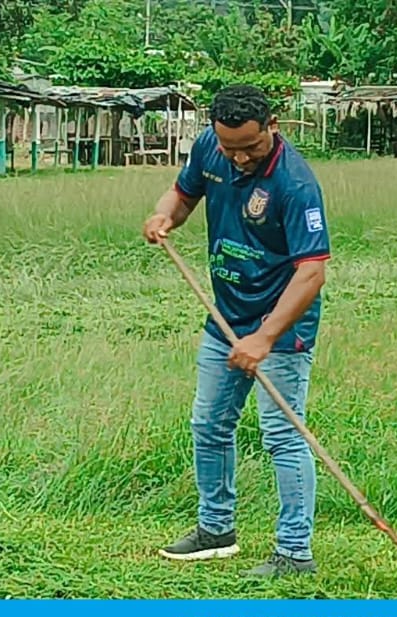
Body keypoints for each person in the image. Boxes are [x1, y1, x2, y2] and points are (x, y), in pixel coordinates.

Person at [141, 85, 332, 578]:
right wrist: (164, 216)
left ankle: (294, 552)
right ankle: (215, 529)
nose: (240, 157)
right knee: (208, 424)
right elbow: (182, 195)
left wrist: (264, 338)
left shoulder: (295, 184)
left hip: (281, 327)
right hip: (225, 317)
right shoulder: (211, 146)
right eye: (231, 149)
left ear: (273, 126)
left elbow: (312, 273)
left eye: (251, 146)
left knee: (282, 435)